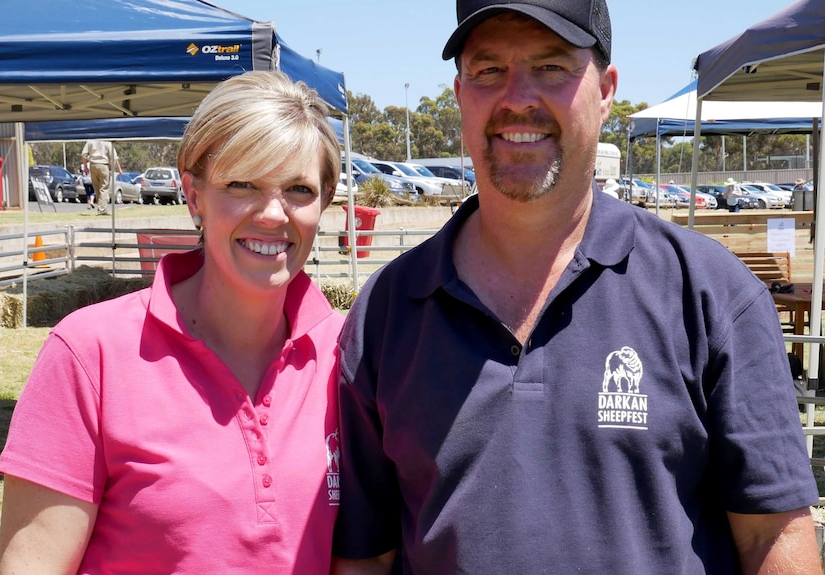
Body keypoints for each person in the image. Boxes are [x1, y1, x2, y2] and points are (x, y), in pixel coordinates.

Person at [332, 1, 822, 574]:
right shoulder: (388, 311)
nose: (518, 97)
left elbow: (770, 536)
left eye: (552, 67)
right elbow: (367, 556)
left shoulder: (711, 295)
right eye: (489, 70)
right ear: (461, 92)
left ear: (606, 89)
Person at [0, 70, 344, 574]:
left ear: (325, 200)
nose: (273, 213)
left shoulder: (351, 355)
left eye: (298, 189)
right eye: (241, 184)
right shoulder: (91, 352)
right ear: (194, 194)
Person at [81, 138, 123, 215]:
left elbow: (84, 154)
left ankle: (100, 207)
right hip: (103, 165)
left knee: (97, 188)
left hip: (92, 165)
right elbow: (114, 157)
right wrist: (113, 168)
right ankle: (102, 209)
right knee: (104, 187)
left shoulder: (90, 141)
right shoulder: (107, 141)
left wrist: (85, 167)